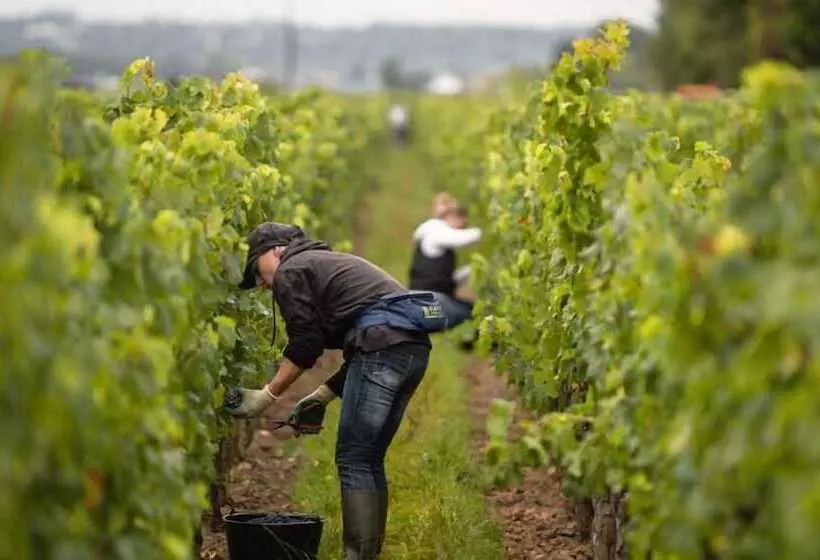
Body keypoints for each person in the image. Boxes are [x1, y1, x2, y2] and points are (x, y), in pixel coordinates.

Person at [223, 222, 445, 559]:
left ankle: (356, 556)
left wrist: (266, 395)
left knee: (354, 458)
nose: (264, 284)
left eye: (258, 272)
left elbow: (307, 344)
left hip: (384, 349)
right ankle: (366, 555)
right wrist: (323, 395)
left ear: (275, 251)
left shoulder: (292, 269)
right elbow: (368, 339)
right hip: (411, 351)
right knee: (368, 458)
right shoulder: (323, 264)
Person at [408, 201, 481, 336]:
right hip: (428, 307)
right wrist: (486, 232)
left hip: (430, 301)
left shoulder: (434, 235)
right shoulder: (436, 232)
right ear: (450, 216)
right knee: (466, 315)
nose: (464, 225)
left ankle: (472, 344)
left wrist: (472, 269)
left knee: (474, 310)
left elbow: (444, 280)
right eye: (462, 219)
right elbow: (469, 237)